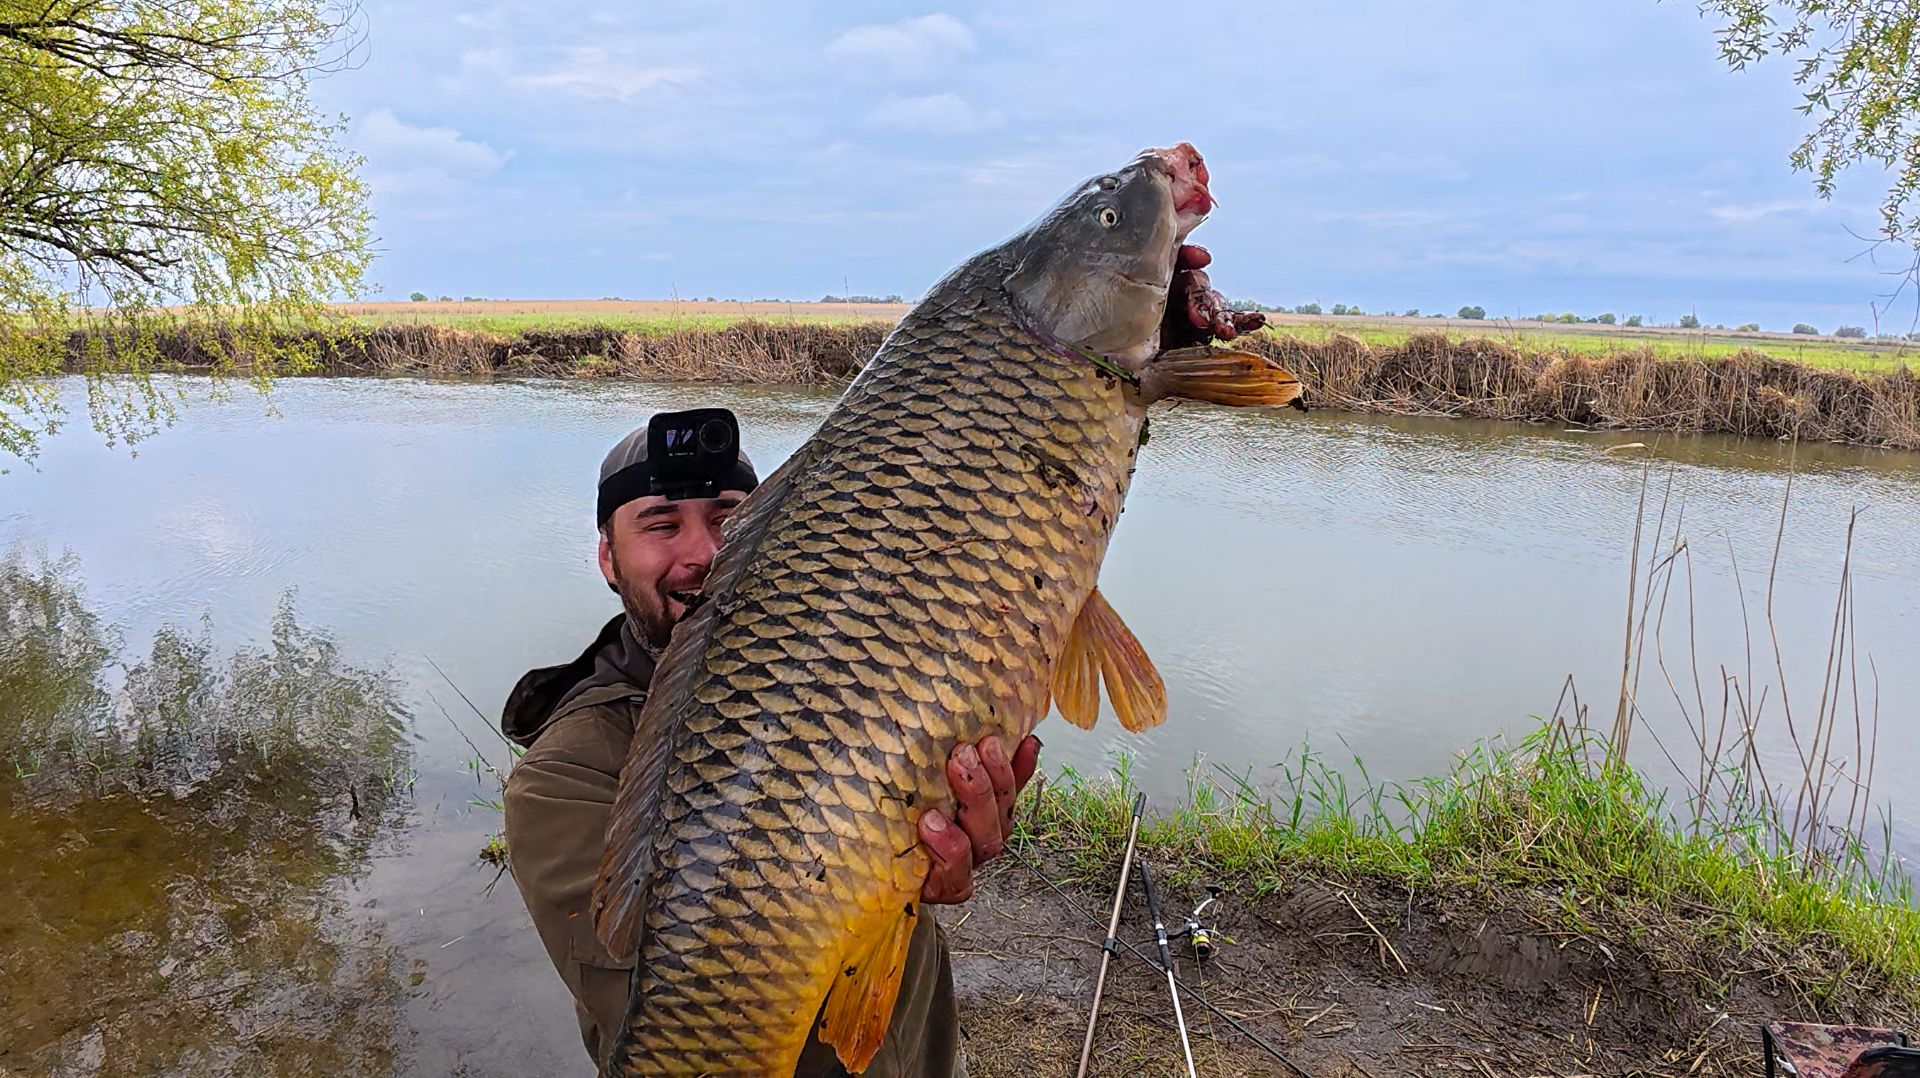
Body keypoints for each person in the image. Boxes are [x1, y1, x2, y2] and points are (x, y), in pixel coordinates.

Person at [501, 415, 1041, 1074]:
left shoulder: (860, 666)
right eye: (661, 525)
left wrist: (938, 842)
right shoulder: (560, 776)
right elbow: (686, 1013)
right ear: (608, 560)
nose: (705, 552)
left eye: (729, 518)